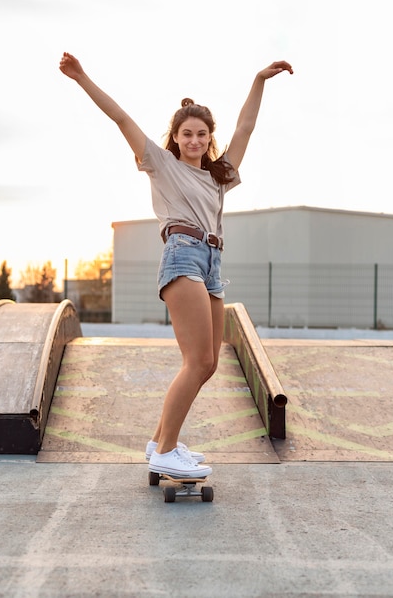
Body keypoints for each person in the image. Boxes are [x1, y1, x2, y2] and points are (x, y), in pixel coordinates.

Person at [59, 52, 293, 478]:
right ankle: (166, 450)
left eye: (202, 135)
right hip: (183, 253)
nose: (194, 141)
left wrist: (259, 79)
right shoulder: (161, 164)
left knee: (210, 362)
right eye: (187, 134)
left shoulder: (220, 174)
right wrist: (81, 77)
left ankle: (158, 441)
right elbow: (122, 119)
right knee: (198, 362)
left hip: (212, 263)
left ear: (209, 138)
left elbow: (245, 127)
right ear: (176, 136)